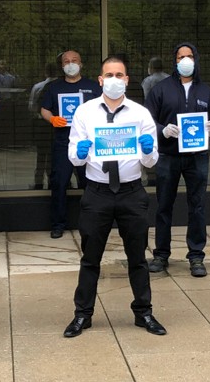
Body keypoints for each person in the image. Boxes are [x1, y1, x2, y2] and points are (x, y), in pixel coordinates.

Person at [63, 56, 166, 338]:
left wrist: (147, 149)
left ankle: (143, 312)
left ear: (127, 80)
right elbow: (74, 156)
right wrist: (81, 153)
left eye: (119, 74)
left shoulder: (140, 113)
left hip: (132, 192)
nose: (114, 79)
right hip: (97, 193)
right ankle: (82, 315)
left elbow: (151, 161)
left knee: (138, 258)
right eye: (109, 74)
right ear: (100, 80)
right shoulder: (85, 112)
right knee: (90, 258)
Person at [145, 42, 210, 277]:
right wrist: (162, 130)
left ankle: (196, 256)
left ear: (196, 59)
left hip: (197, 157)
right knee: (164, 206)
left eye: (189, 56)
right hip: (168, 156)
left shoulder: (206, 91)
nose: (185, 60)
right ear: (174, 61)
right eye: (181, 57)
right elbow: (148, 121)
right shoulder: (161, 89)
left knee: (197, 206)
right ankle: (161, 254)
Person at [40, 50, 101, 238]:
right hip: (63, 142)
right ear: (62, 66)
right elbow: (44, 109)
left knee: (90, 184)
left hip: (88, 144)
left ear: (81, 64)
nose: (71, 64)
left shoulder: (93, 86)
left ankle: (93, 222)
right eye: (66, 61)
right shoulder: (53, 87)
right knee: (59, 183)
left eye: (74, 60)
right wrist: (52, 119)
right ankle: (58, 224)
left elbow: (104, 107)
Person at [29, 62, 60, 190]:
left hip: (42, 124)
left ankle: (38, 182)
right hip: (60, 125)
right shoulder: (61, 87)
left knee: (41, 155)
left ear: (45, 71)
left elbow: (31, 107)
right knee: (58, 155)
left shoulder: (38, 87)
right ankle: (57, 182)